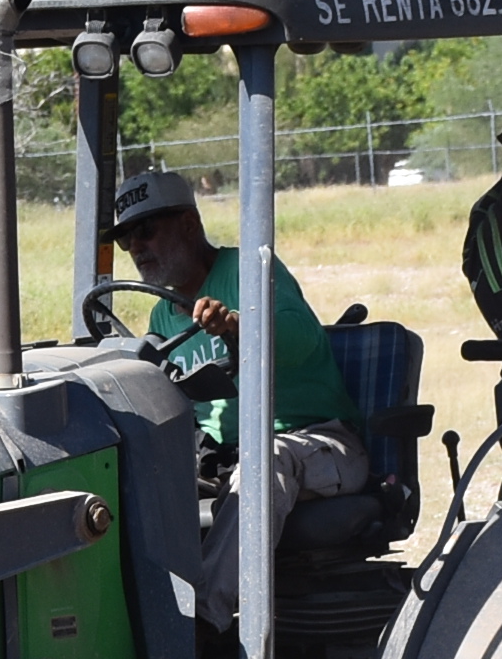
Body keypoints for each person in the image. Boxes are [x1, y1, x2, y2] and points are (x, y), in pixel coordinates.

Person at [104, 168, 367, 628]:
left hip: (316, 442)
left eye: (146, 231)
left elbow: (300, 338)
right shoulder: (162, 315)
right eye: (127, 241)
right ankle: (132, 625)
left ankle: (201, 625)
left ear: (188, 224)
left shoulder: (249, 273)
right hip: (225, 458)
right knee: (131, 476)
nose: (138, 249)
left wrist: (236, 328)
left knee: (265, 462)